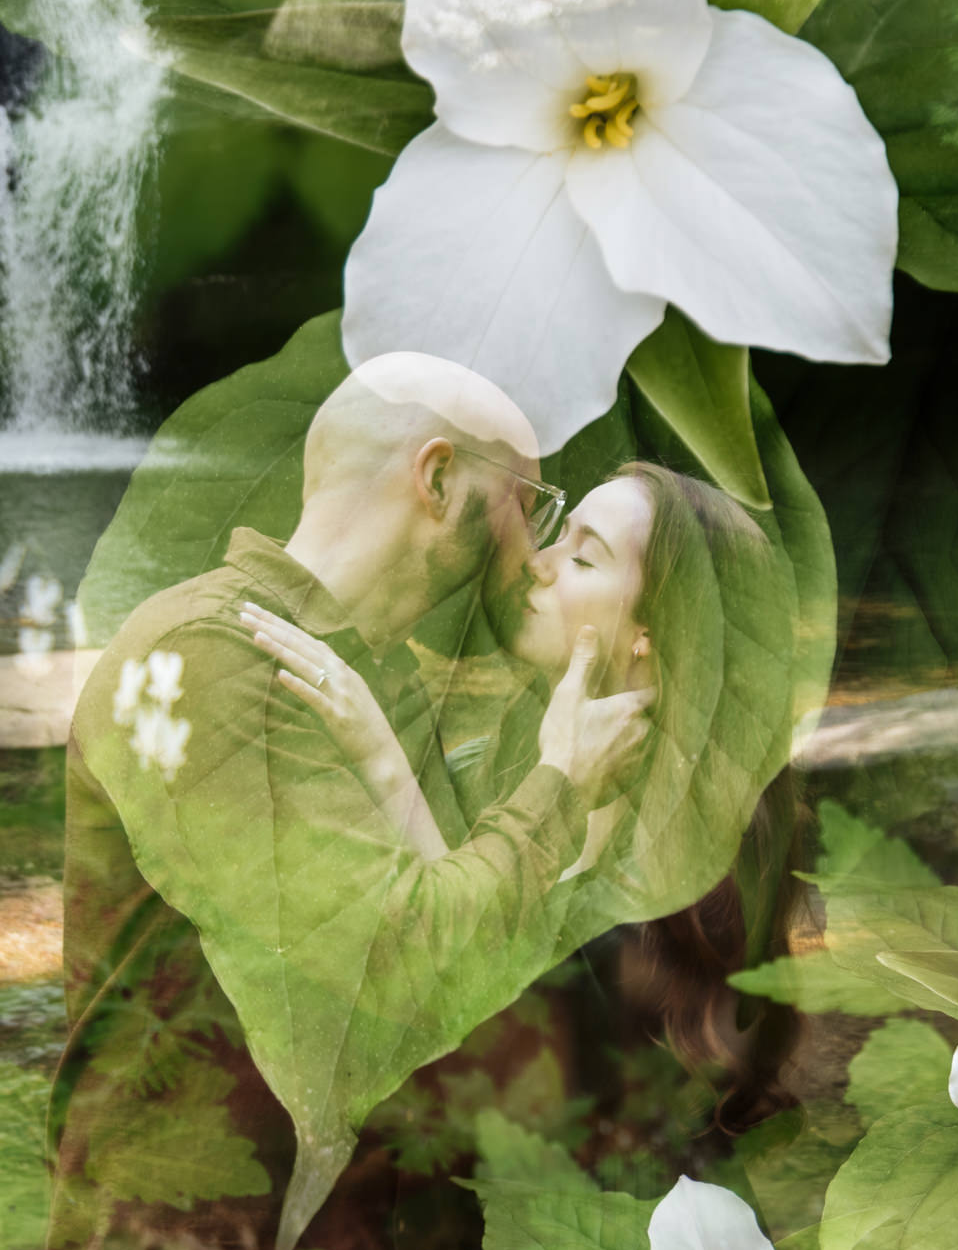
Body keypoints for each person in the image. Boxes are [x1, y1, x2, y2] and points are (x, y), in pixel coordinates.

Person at [34, 352, 651, 1250]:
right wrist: (556, 784)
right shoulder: (205, 662)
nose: (532, 551)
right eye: (528, 504)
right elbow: (400, 965)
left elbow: (479, 981)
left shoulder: (375, 684)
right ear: (440, 480)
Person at [242, 461, 802, 1142]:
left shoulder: (668, 901)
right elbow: (466, 925)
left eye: (583, 556)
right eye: (556, 538)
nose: (537, 563)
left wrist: (383, 756)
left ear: (649, 631)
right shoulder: (502, 766)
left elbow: (463, 1020)